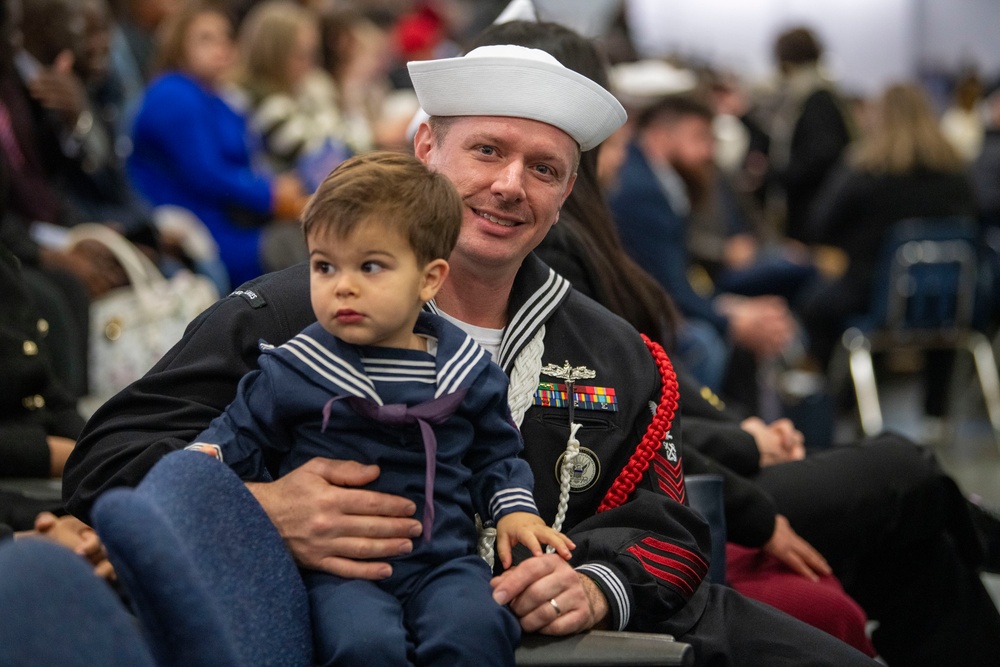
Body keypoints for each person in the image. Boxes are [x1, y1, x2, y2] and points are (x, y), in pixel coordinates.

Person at [64, 43, 878, 666]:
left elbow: (670, 533)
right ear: (427, 150)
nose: (511, 185)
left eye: (544, 168)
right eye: (487, 151)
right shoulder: (283, 313)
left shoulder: (613, 349)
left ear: (565, 198)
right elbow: (105, 458)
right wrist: (252, 509)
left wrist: (593, 586)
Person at [186, 151, 573, 665]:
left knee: (477, 630)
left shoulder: (469, 371)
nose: (343, 285)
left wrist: (515, 509)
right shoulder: (293, 369)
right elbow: (228, 442)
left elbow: (496, 456)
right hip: (338, 569)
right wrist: (186, 486)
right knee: (363, 646)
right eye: (325, 265)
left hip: (446, 564)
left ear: (429, 279)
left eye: (371, 266)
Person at [799, 82, 979, 419]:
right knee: (931, 303)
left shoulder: (864, 169)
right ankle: (936, 412)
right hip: (949, 303)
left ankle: (834, 407)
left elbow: (819, 224)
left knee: (814, 305)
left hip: (874, 296)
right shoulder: (956, 172)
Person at [607, 94, 797, 398]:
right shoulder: (643, 191)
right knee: (705, 342)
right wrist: (732, 318)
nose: (709, 151)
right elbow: (668, 289)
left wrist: (729, 308)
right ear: (660, 136)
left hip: (665, 300)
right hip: (634, 317)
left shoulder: (662, 182)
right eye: (699, 138)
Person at [127, 0, 309, 288]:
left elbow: (251, 160)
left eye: (226, 37)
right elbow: (205, 175)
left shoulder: (219, 96)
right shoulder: (172, 93)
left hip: (238, 220)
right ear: (178, 44)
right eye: (205, 39)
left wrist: (279, 188)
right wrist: (271, 195)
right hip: (200, 232)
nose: (221, 47)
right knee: (297, 243)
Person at [756, 25, 853, 244]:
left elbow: (819, 156)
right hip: (822, 209)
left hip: (815, 214)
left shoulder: (816, 100)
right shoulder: (826, 94)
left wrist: (775, 175)